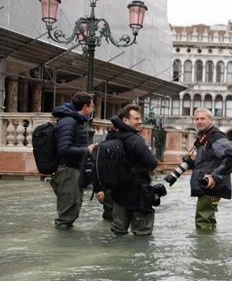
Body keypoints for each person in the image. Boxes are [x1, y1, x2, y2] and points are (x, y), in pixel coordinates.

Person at [108, 105, 159, 235]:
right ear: (126, 121)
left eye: (140, 118)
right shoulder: (135, 140)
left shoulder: (112, 136)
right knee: (142, 233)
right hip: (139, 192)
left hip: (118, 191)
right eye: (136, 119)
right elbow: (152, 163)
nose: (140, 122)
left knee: (118, 231)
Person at [186, 108, 232, 231]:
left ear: (210, 120)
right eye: (197, 119)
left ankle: (204, 249)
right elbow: (208, 163)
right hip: (207, 186)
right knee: (207, 219)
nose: (199, 121)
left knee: (203, 220)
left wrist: (214, 176)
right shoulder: (204, 137)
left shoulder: (215, 137)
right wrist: (192, 164)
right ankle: (209, 246)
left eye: (203, 118)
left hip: (210, 186)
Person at [51, 91, 97, 229]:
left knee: (72, 210)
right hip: (67, 172)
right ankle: (61, 248)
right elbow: (64, 150)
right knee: (66, 215)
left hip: (72, 171)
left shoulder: (74, 121)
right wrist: (87, 150)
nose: (93, 109)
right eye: (92, 106)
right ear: (85, 107)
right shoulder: (69, 122)